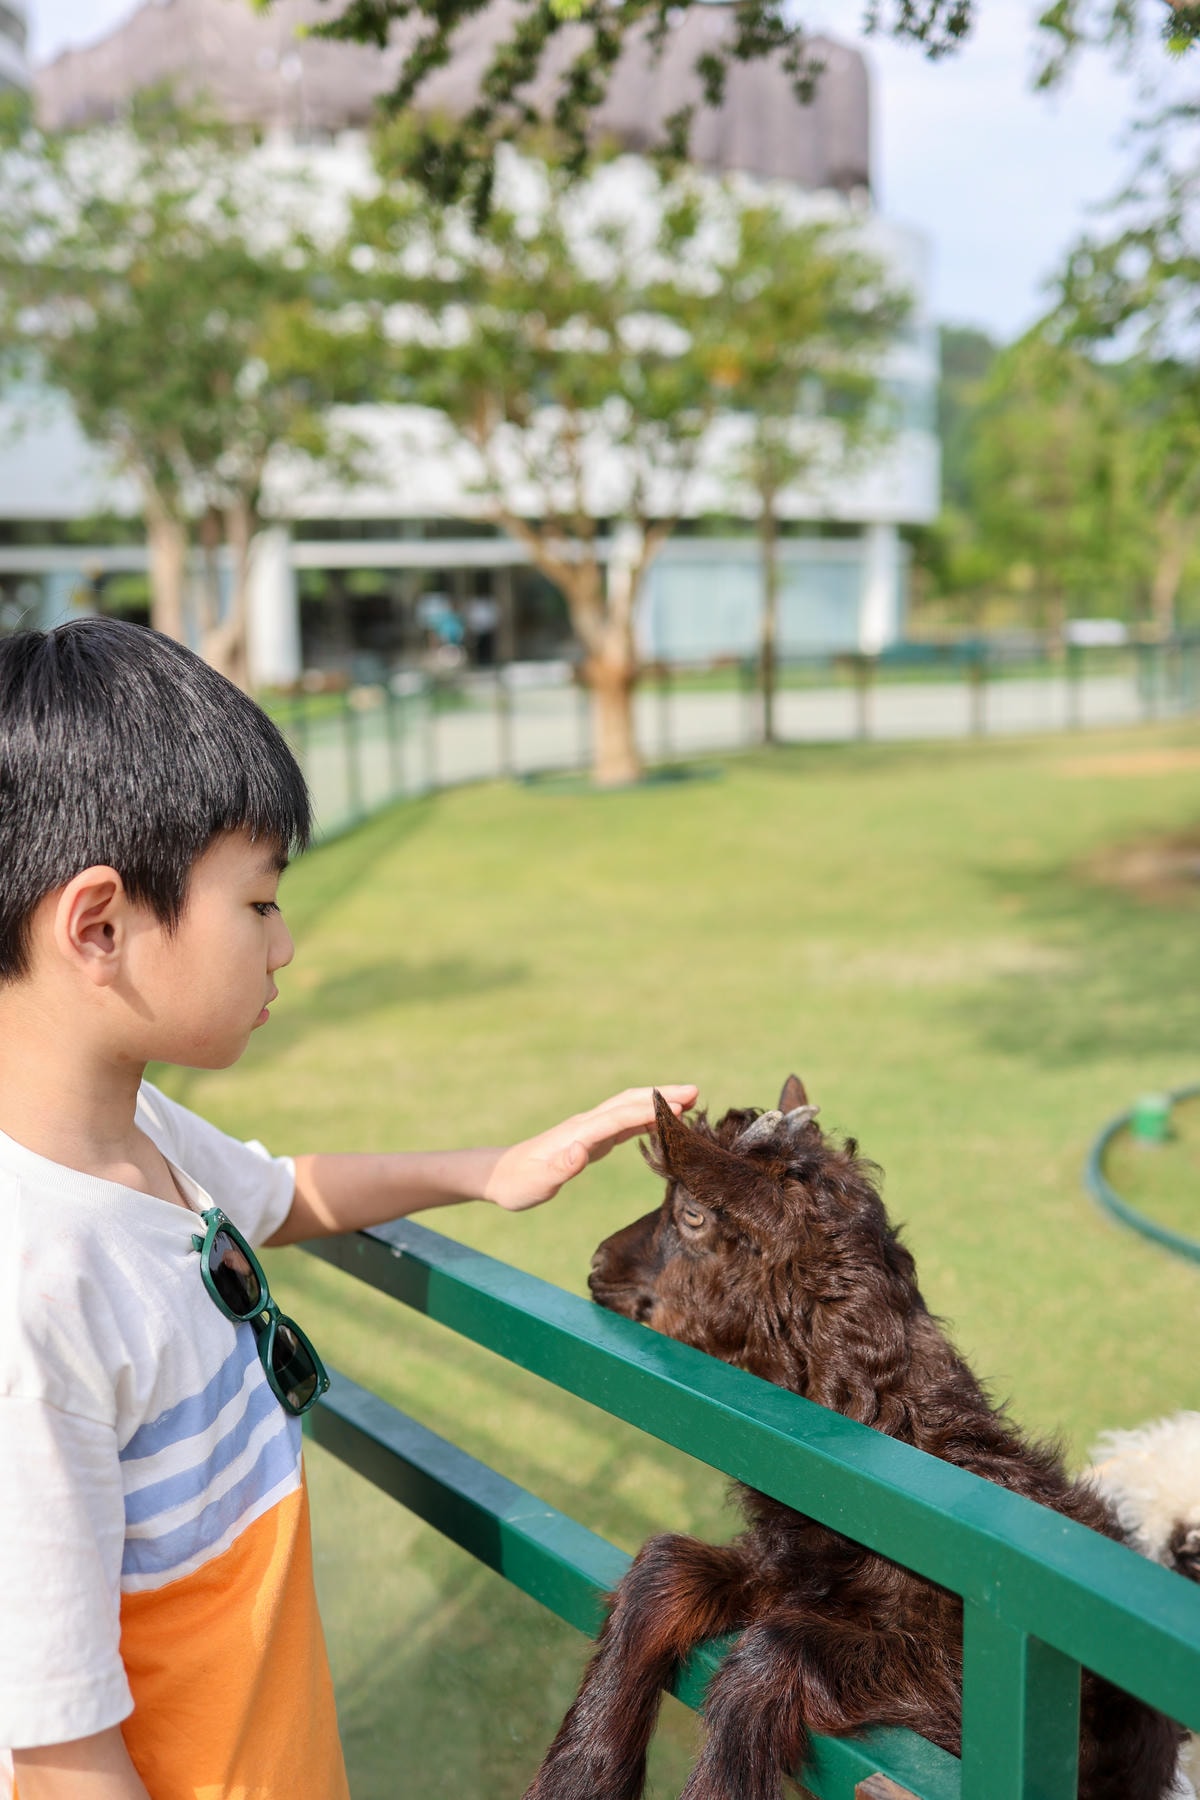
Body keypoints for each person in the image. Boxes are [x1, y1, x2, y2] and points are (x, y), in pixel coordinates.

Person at [0, 618, 696, 1800]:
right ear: (100, 925)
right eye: (259, 904)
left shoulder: (140, 1132)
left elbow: (282, 1192)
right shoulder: (35, 1292)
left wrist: (491, 1168)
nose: (284, 946)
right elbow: (61, 1754)